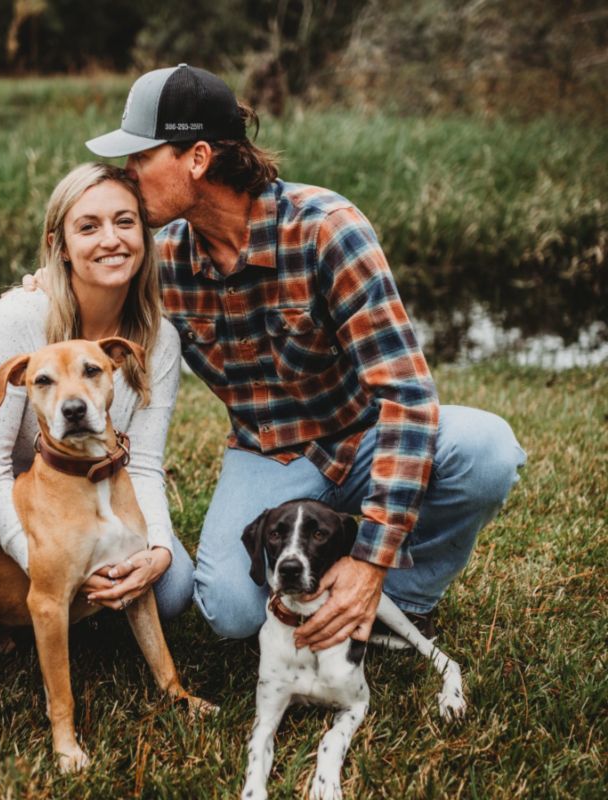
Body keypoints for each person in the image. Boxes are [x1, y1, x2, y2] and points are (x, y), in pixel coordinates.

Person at [80, 64, 527, 652]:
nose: (128, 173)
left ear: (198, 158)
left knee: (487, 451)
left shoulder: (327, 231)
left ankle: (397, 600)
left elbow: (407, 397)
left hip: (363, 436)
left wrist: (371, 561)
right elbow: (86, 299)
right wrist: (48, 287)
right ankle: (329, 577)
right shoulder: (159, 262)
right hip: (267, 452)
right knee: (230, 612)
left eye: (141, 156)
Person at [0, 163, 193, 784]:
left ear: (145, 235)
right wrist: (44, 563)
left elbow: (144, 464)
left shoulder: (156, 341)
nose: (110, 239)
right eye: (88, 226)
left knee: (174, 584)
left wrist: (156, 549)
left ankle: (29, 625)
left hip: (73, 491)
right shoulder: (19, 316)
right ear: (60, 245)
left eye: (125, 222)